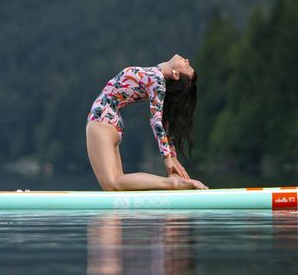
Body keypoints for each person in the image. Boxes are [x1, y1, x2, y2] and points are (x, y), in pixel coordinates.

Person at [86, 54, 208, 190]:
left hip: (102, 118)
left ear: (176, 74)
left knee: (112, 184)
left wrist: (167, 157)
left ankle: (172, 183)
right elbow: (162, 121)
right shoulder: (156, 77)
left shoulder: (157, 79)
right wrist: (171, 155)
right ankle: (172, 183)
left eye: (187, 66)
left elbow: (156, 120)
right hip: (110, 121)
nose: (187, 60)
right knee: (118, 183)